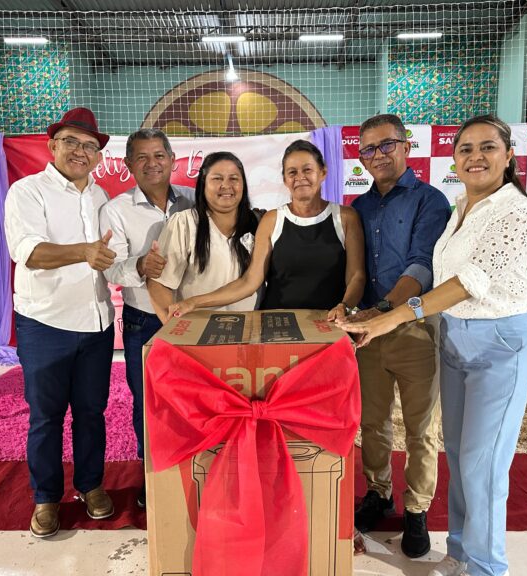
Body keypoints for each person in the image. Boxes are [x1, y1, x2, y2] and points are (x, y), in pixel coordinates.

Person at [339, 115, 527, 576]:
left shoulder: (515, 210)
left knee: (481, 464)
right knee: (461, 455)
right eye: (465, 149)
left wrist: (391, 314)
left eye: (487, 147)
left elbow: (464, 281)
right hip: (453, 336)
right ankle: (460, 553)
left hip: (499, 340)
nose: (476, 157)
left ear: (509, 155)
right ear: (454, 158)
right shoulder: (462, 206)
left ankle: (487, 567)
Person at [5, 107, 117, 538]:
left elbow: (113, 256)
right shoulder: (27, 192)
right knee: (46, 416)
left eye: (90, 146)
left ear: (98, 156)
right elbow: (29, 252)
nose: (80, 151)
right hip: (45, 323)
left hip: (97, 322)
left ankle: (90, 486)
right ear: (52, 146)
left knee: (91, 412)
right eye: (71, 142)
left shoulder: (102, 197)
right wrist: (84, 251)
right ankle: (47, 497)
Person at [348, 114, 451, 558]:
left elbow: (422, 265)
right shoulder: (358, 207)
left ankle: (416, 508)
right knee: (372, 422)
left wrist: (384, 312)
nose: (378, 155)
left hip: (414, 329)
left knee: (420, 428)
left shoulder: (431, 200)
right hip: (367, 333)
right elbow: (354, 272)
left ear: (407, 146)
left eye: (386, 144)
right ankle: (379, 492)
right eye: (368, 149)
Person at [166, 139, 365, 321]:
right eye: (292, 172)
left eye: (307, 170)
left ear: (323, 172)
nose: (300, 177)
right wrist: (193, 302)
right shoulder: (271, 220)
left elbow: (356, 276)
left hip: (330, 323)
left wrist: (345, 306)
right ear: (285, 179)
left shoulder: (346, 217)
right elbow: (249, 281)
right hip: (277, 324)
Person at [99, 128, 194, 507]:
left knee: (195, 399)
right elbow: (111, 268)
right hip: (144, 322)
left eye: (158, 155)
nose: (151, 163)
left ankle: (195, 469)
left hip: (193, 320)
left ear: (172, 160)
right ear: (127, 164)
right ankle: (153, 476)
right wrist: (140, 266)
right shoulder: (116, 210)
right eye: (142, 157)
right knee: (149, 404)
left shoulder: (193, 200)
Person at [146, 151, 259, 320]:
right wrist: (172, 324)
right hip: (198, 328)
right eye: (217, 178)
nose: (226, 185)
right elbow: (159, 282)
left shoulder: (260, 223)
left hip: (250, 327)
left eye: (234, 179)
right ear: (203, 184)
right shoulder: (184, 223)